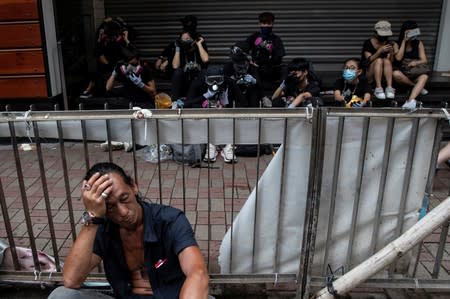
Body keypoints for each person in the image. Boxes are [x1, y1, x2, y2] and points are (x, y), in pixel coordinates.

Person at [48, 162, 210, 299]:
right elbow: (71, 280)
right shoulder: (102, 226)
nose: (123, 212)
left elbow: (197, 272)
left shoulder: (170, 220)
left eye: (124, 199)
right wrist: (93, 217)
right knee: (62, 295)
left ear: (133, 187)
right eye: (110, 207)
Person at [80, 17, 135, 99]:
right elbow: (97, 51)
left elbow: (133, 37)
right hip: (108, 64)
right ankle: (89, 90)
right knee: (96, 72)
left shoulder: (121, 37)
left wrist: (124, 27)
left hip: (119, 63)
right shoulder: (104, 39)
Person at [392, 20, 430, 110]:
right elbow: (398, 58)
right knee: (395, 74)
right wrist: (404, 42)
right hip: (402, 74)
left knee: (424, 77)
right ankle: (416, 87)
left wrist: (415, 62)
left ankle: (410, 101)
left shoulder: (418, 43)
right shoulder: (396, 44)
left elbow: (424, 60)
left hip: (414, 72)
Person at [245, 12, 286, 89]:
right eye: (264, 23)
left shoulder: (276, 39)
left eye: (269, 23)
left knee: (285, 69)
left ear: (272, 24)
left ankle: (282, 92)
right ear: (260, 24)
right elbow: (241, 49)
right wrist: (248, 61)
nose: (266, 26)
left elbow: (280, 57)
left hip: (271, 70)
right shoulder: (254, 37)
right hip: (256, 69)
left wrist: (272, 50)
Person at [154, 15, 203, 80]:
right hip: (181, 68)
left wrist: (167, 61)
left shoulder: (198, 38)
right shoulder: (183, 36)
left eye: (186, 23)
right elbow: (174, 46)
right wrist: (161, 57)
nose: (184, 25)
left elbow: (204, 58)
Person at [361, 20, 396, 100]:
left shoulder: (388, 43)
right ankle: (378, 88)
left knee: (386, 61)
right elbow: (367, 62)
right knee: (379, 60)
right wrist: (379, 51)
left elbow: (391, 62)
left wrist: (391, 52)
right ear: (375, 33)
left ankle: (389, 88)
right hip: (369, 73)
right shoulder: (368, 43)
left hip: (383, 74)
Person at [171, 30, 209, 100]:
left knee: (204, 72)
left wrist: (199, 44)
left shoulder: (199, 49)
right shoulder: (180, 51)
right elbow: (175, 66)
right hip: (185, 82)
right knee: (178, 72)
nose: (185, 41)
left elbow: (206, 59)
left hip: (198, 81)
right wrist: (177, 48)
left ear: (193, 40)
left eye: (187, 39)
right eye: (182, 39)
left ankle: (204, 100)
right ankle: (175, 101)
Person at [223, 41, 262, 107]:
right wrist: (233, 81)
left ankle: (254, 112)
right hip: (234, 94)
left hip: (249, 93)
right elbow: (223, 82)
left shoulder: (251, 67)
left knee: (254, 89)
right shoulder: (228, 67)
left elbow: (259, 83)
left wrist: (253, 80)